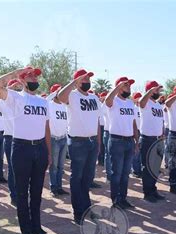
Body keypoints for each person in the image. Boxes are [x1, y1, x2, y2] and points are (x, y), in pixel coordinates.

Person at [0, 66, 52, 234]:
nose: (35, 80)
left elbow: (46, 128)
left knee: (37, 191)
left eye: (36, 77)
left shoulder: (43, 102)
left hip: (39, 147)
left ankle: (37, 227)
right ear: (23, 80)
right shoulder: (16, 98)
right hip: (21, 148)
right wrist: (14, 74)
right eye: (31, 77)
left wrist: (48, 152)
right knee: (22, 192)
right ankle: (26, 230)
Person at [57, 69, 101, 224]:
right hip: (77, 142)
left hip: (92, 141)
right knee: (77, 177)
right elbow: (60, 97)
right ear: (76, 81)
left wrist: (98, 142)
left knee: (87, 178)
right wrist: (72, 82)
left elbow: (96, 120)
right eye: (83, 79)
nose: (87, 81)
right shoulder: (72, 95)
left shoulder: (94, 97)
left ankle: (87, 208)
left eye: (88, 78)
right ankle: (78, 212)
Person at [104, 77, 138, 208]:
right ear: (118, 87)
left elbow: (134, 123)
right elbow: (107, 100)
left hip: (129, 141)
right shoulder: (114, 101)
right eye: (126, 85)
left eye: (129, 85)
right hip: (116, 140)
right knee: (116, 173)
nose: (128, 87)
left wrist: (136, 140)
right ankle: (115, 199)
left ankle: (123, 198)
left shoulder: (130, 103)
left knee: (125, 173)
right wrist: (117, 87)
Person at [137, 81, 166, 202]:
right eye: (156, 90)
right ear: (149, 90)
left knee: (155, 168)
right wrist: (150, 91)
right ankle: (147, 193)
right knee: (147, 167)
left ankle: (153, 190)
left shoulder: (158, 105)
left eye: (158, 90)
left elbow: (161, 121)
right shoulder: (145, 103)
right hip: (147, 139)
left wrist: (162, 133)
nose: (158, 92)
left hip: (158, 140)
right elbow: (141, 102)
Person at [47, 84, 69, 197]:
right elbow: (46, 99)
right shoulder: (49, 105)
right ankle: (53, 187)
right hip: (54, 138)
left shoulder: (65, 106)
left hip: (63, 138)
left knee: (61, 166)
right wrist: (55, 93)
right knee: (54, 166)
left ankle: (59, 187)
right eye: (59, 92)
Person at [131, 92, 142, 178]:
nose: (139, 99)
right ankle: (135, 170)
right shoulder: (133, 108)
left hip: (141, 130)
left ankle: (139, 169)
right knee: (136, 152)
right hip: (135, 130)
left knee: (140, 152)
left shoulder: (141, 108)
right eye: (137, 97)